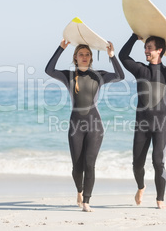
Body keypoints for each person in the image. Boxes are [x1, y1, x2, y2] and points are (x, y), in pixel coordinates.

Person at [45, 39, 124, 212]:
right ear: (75, 57)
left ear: (91, 58)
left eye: (87, 54)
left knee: (89, 164)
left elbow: (120, 76)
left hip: (95, 125)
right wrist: (61, 48)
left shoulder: (99, 75)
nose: (84, 57)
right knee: (77, 166)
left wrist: (112, 56)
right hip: (76, 125)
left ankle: (86, 201)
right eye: (81, 54)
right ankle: (79, 191)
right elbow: (49, 70)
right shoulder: (68, 76)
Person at [119, 32, 166, 209]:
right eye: (145, 47)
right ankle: (141, 187)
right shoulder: (140, 70)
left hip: (161, 124)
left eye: (149, 48)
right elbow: (122, 56)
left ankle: (160, 199)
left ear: (159, 51)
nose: (146, 51)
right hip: (142, 124)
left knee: (158, 161)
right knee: (137, 163)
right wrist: (134, 37)